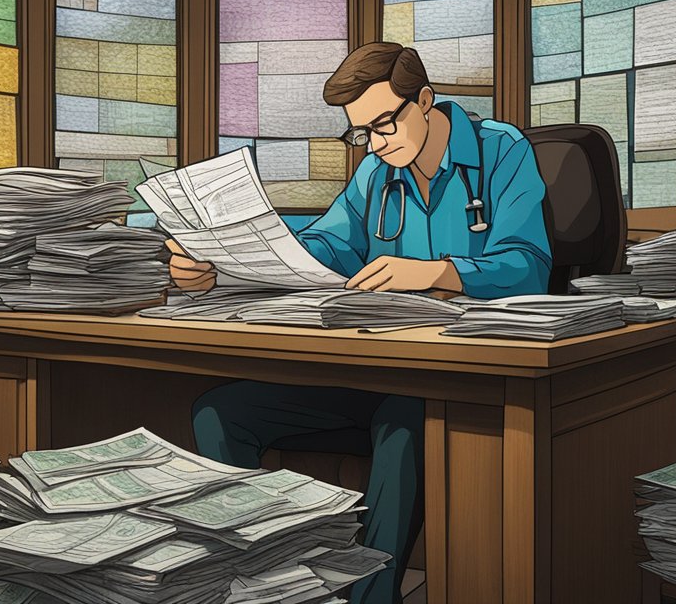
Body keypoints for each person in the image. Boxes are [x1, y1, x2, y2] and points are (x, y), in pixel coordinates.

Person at [170, 42, 552, 604]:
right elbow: (328, 247)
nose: (375, 144)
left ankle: (369, 598)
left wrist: (435, 272)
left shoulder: (501, 151)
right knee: (220, 414)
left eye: (384, 124)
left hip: (452, 385)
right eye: (362, 134)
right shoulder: (378, 172)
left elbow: (528, 265)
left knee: (405, 421)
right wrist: (224, 264)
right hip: (368, 373)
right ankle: (267, 585)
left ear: (424, 100)